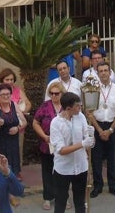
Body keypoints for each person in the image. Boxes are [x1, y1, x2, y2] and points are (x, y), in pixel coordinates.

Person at [50, 92, 94, 213]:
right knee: (61, 202)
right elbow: (61, 150)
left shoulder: (81, 117)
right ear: (68, 108)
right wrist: (82, 144)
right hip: (63, 169)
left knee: (80, 202)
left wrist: (91, 136)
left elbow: (88, 144)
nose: (80, 108)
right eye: (77, 106)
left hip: (81, 167)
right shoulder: (55, 123)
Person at [88, 62, 115, 198]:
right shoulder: (92, 89)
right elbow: (89, 112)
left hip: (112, 127)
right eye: (100, 71)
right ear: (97, 74)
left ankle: (113, 186)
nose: (103, 73)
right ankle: (98, 186)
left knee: (111, 158)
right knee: (96, 159)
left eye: (105, 70)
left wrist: (109, 130)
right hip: (97, 126)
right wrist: (99, 130)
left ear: (110, 72)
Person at [33, 81, 64, 210]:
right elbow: (35, 122)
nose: (54, 96)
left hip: (63, 146)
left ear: (62, 93)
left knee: (62, 172)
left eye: (57, 93)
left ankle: (62, 197)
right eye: (51, 93)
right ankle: (47, 197)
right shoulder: (45, 106)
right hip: (47, 144)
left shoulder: (67, 107)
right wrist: (44, 136)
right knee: (47, 171)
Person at [0, 83, 26, 178]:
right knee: (0, 173)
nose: (6, 96)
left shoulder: (14, 105)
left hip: (13, 143)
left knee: (13, 171)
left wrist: (17, 128)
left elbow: (24, 122)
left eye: (8, 94)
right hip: (0, 143)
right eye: (3, 94)